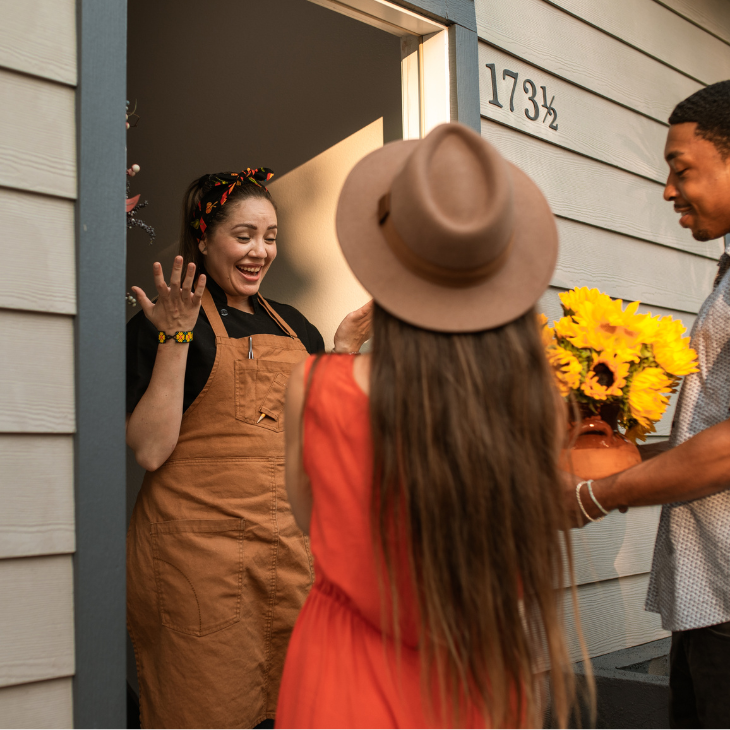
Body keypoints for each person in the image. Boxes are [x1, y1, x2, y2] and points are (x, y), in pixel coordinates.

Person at [276, 123, 592, 728]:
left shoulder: (318, 387)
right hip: (484, 679)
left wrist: (341, 357)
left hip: (342, 680)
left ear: (383, 265)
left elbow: (313, 521)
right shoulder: (538, 400)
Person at [125, 169, 371, 728]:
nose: (260, 251)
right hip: (199, 570)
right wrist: (176, 338)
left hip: (288, 561)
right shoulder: (161, 324)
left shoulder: (297, 328)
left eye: (271, 236)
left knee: (299, 710)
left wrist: (343, 349)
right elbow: (148, 450)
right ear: (204, 238)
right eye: (244, 235)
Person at [564, 80, 730, 728]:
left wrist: (594, 497)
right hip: (712, 604)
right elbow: (708, 433)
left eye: (680, 169)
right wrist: (603, 456)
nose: (667, 190)